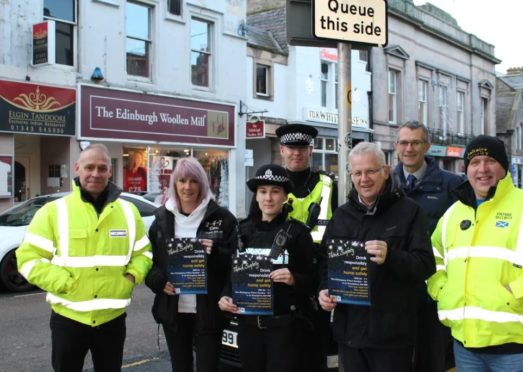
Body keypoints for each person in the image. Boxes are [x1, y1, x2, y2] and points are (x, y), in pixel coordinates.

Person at [428, 135, 523, 372]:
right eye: (475, 162)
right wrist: (442, 289)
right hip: (466, 344)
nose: (482, 169)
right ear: (466, 168)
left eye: (490, 160)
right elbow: (433, 257)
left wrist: (519, 290)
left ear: (504, 167)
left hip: (517, 345)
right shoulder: (453, 214)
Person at [16, 143, 153, 372]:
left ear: (110, 171)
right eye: (89, 167)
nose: (95, 174)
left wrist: (130, 277)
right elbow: (28, 258)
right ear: (77, 169)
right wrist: (64, 283)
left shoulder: (129, 212)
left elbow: (144, 253)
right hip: (69, 319)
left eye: (102, 168)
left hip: (112, 320)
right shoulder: (53, 212)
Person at [318, 141, 435, 372]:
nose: (364, 179)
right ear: (350, 176)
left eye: (371, 171)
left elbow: (425, 265)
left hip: (392, 337)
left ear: (385, 171)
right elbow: (325, 263)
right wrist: (323, 290)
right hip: (350, 334)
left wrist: (391, 256)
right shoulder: (341, 215)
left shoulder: (410, 212)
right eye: (358, 173)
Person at [145, 157, 238, 372]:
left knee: (208, 367)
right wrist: (157, 280)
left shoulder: (222, 218)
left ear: (202, 184)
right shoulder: (161, 219)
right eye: (182, 181)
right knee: (181, 366)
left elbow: (234, 262)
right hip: (173, 310)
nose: (188, 187)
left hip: (208, 311)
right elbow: (149, 261)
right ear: (174, 184)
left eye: (194, 181)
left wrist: (214, 253)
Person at [219, 164, 315, 372]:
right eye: (263, 192)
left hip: (285, 329)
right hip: (248, 328)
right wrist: (226, 296)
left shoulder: (298, 233)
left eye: (275, 192)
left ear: (285, 196)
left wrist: (294, 278)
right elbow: (231, 276)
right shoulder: (241, 232)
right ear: (256, 196)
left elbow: (313, 280)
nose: (268, 198)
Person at [392, 120, 464, 371]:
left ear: (427, 146)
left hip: (435, 285)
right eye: (404, 142)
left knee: (434, 355)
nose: (409, 148)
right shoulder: (384, 183)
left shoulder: (452, 185)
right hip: (397, 284)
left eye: (415, 142)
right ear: (396, 146)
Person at [276, 123, 337, 371]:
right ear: (282, 150)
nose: (296, 153)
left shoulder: (328, 184)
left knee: (315, 354)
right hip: (282, 281)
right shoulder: (271, 185)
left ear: (311, 150)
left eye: (302, 148)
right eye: (291, 148)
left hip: (316, 281)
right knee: (282, 354)